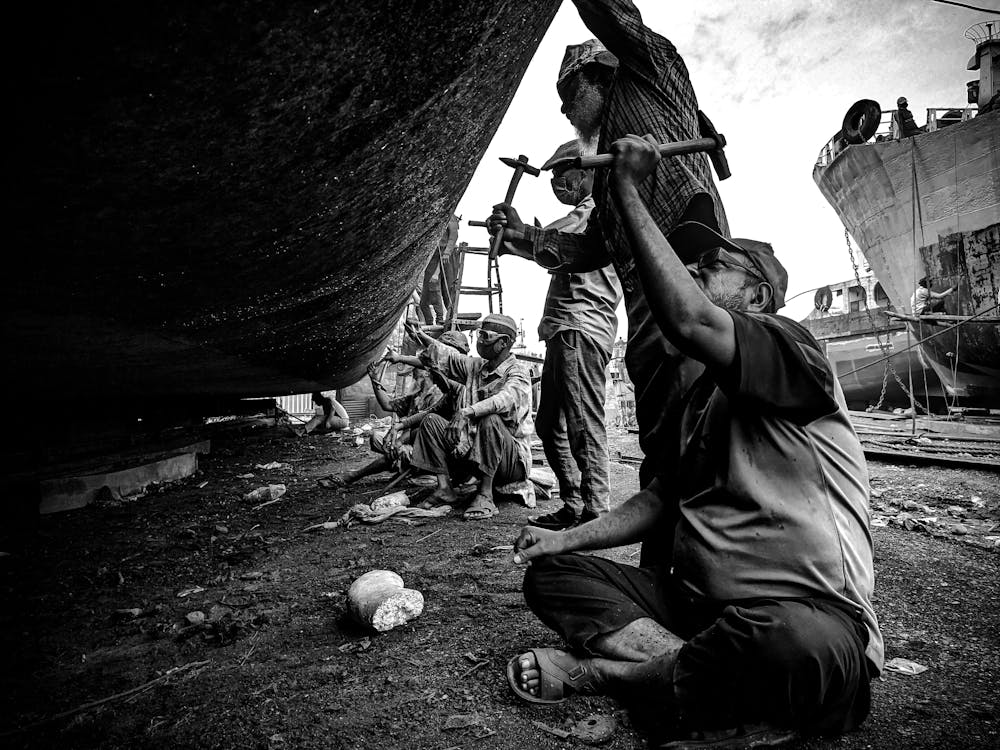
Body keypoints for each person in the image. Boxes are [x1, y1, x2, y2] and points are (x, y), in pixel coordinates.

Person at [505, 135, 883, 749]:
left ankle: (613, 674)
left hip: (797, 612)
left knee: (797, 647)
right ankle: (695, 676)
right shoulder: (700, 399)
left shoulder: (789, 345)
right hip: (700, 610)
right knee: (553, 574)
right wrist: (562, 538)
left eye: (712, 266)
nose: (694, 272)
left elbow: (688, 319)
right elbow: (658, 500)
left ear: (758, 295)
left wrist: (624, 186)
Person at [490, 0, 728, 540]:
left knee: (702, 434)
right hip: (648, 307)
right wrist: (526, 239)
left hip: (696, 281)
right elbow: (588, 248)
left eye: (567, 96)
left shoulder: (651, 69)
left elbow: (612, 15)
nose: (564, 112)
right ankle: (665, 556)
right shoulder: (603, 180)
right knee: (664, 442)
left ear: (598, 74)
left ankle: (706, 555)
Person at [528, 140, 622, 531]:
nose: (558, 188)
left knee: (583, 422)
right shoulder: (581, 215)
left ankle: (596, 512)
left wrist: (520, 234)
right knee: (549, 423)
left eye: (563, 179)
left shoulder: (597, 212)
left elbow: (555, 242)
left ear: (587, 174)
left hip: (581, 327)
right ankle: (573, 502)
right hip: (563, 329)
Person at [408, 314, 534, 521]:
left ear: (503, 342)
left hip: (510, 463)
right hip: (475, 449)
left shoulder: (518, 372)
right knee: (431, 422)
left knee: (490, 418)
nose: (480, 340)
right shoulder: (476, 366)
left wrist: (467, 411)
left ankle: (485, 494)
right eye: (479, 334)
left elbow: (505, 399)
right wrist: (420, 335)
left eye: (485, 335)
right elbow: (447, 355)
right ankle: (444, 488)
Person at [340, 331, 470, 485]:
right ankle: (412, 466)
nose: (415, 376)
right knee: (379, 439)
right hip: (423, 441)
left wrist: (401, 441)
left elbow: (427, 426)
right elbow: (390, 405)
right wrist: (398, 427)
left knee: (410, 441)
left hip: (447, 449)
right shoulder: (429, 395)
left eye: (418, 372)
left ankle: (426, 472)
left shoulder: (457, 389)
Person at [420, 215, 459, 325]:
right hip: (433, 256)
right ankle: (430, 323)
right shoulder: (435, 216)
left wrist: (447, 252)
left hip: (446, 257)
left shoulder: (451, 217)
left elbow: (453, 235)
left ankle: (446, 319)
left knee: (447, 291)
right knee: (425, 298)